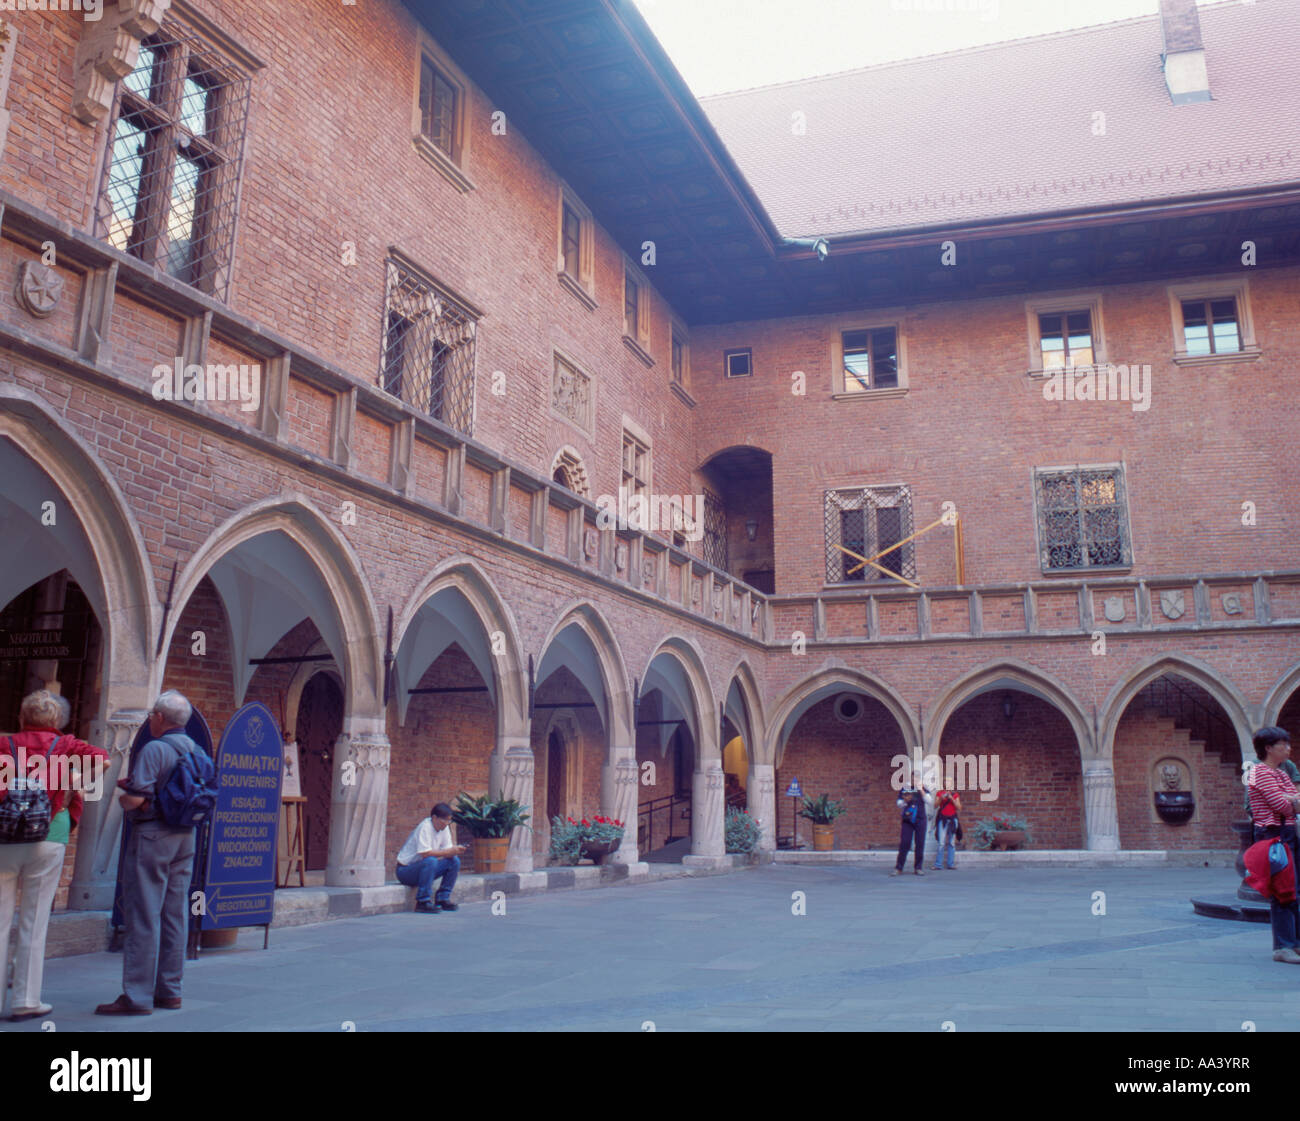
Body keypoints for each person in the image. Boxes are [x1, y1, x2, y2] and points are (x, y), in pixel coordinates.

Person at [0, 689, 108, 1021]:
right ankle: (26, 1000)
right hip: (49, 833)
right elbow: (103, 758)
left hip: (4, 836)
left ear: (22, 717)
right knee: (35, 920)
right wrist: (75, 782)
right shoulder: (66, 746)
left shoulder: (5, 744)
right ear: (58, 721)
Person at [96, 690, 203, 1015]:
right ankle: (170, 991)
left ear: (159, 717)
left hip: (154, 835)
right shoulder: (195, 750)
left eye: (151, 715)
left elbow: (138, 799)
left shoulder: (154, 748)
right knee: (175, 913)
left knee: (143, 914)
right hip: (186, 836)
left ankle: (137, 996)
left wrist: (123, 795)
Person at [1247, 726, 1300, 964]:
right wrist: (1292, 800)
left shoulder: (1281, 773)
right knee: (1282, 890)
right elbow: (1283, 805)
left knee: (1294, 889)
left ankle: (1294, 942)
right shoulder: (1260, 772)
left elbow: (1294, 800)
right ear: (1268, 748)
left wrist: (1292, 800)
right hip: (1274, 834)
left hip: (1287, 832)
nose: (1288, 748)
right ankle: (1283, 946)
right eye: (1283, 745)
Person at [395, 802, 466, 913]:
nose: (447, 823)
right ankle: (422, 901)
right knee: (430, 861)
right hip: (405, 871)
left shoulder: (445, 828)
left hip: (424, 869)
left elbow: (447, 852)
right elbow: (425, 854)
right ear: (434, 818)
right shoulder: (424, 827)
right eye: (444, 820)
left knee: (454, 861)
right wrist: (449, 851)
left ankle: (443, 898)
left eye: (449, 820)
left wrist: (455, 851)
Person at [891, 774, 928, 876]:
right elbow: (898, 803)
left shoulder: (923, 788)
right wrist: (904, 801)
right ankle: (899, 867)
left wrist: (921, 790)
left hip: (920, 820)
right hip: (908, 820)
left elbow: (929, 801)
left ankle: (918, 868)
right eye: (913, 779)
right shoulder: (905, 788)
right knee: (904, 843)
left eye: (917, 779)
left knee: (920, 843)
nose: (915, 781)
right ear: (911, 779)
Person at [932, 787, 962, 870]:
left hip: (952, 819)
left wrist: (951, 799)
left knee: (951, 842)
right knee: (941, 842)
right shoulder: (939, 793)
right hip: (942, 819)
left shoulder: (955, 794)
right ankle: (938, 864)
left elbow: (959, 808)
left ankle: (951, 864)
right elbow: (935, 806)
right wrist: (941, 799)